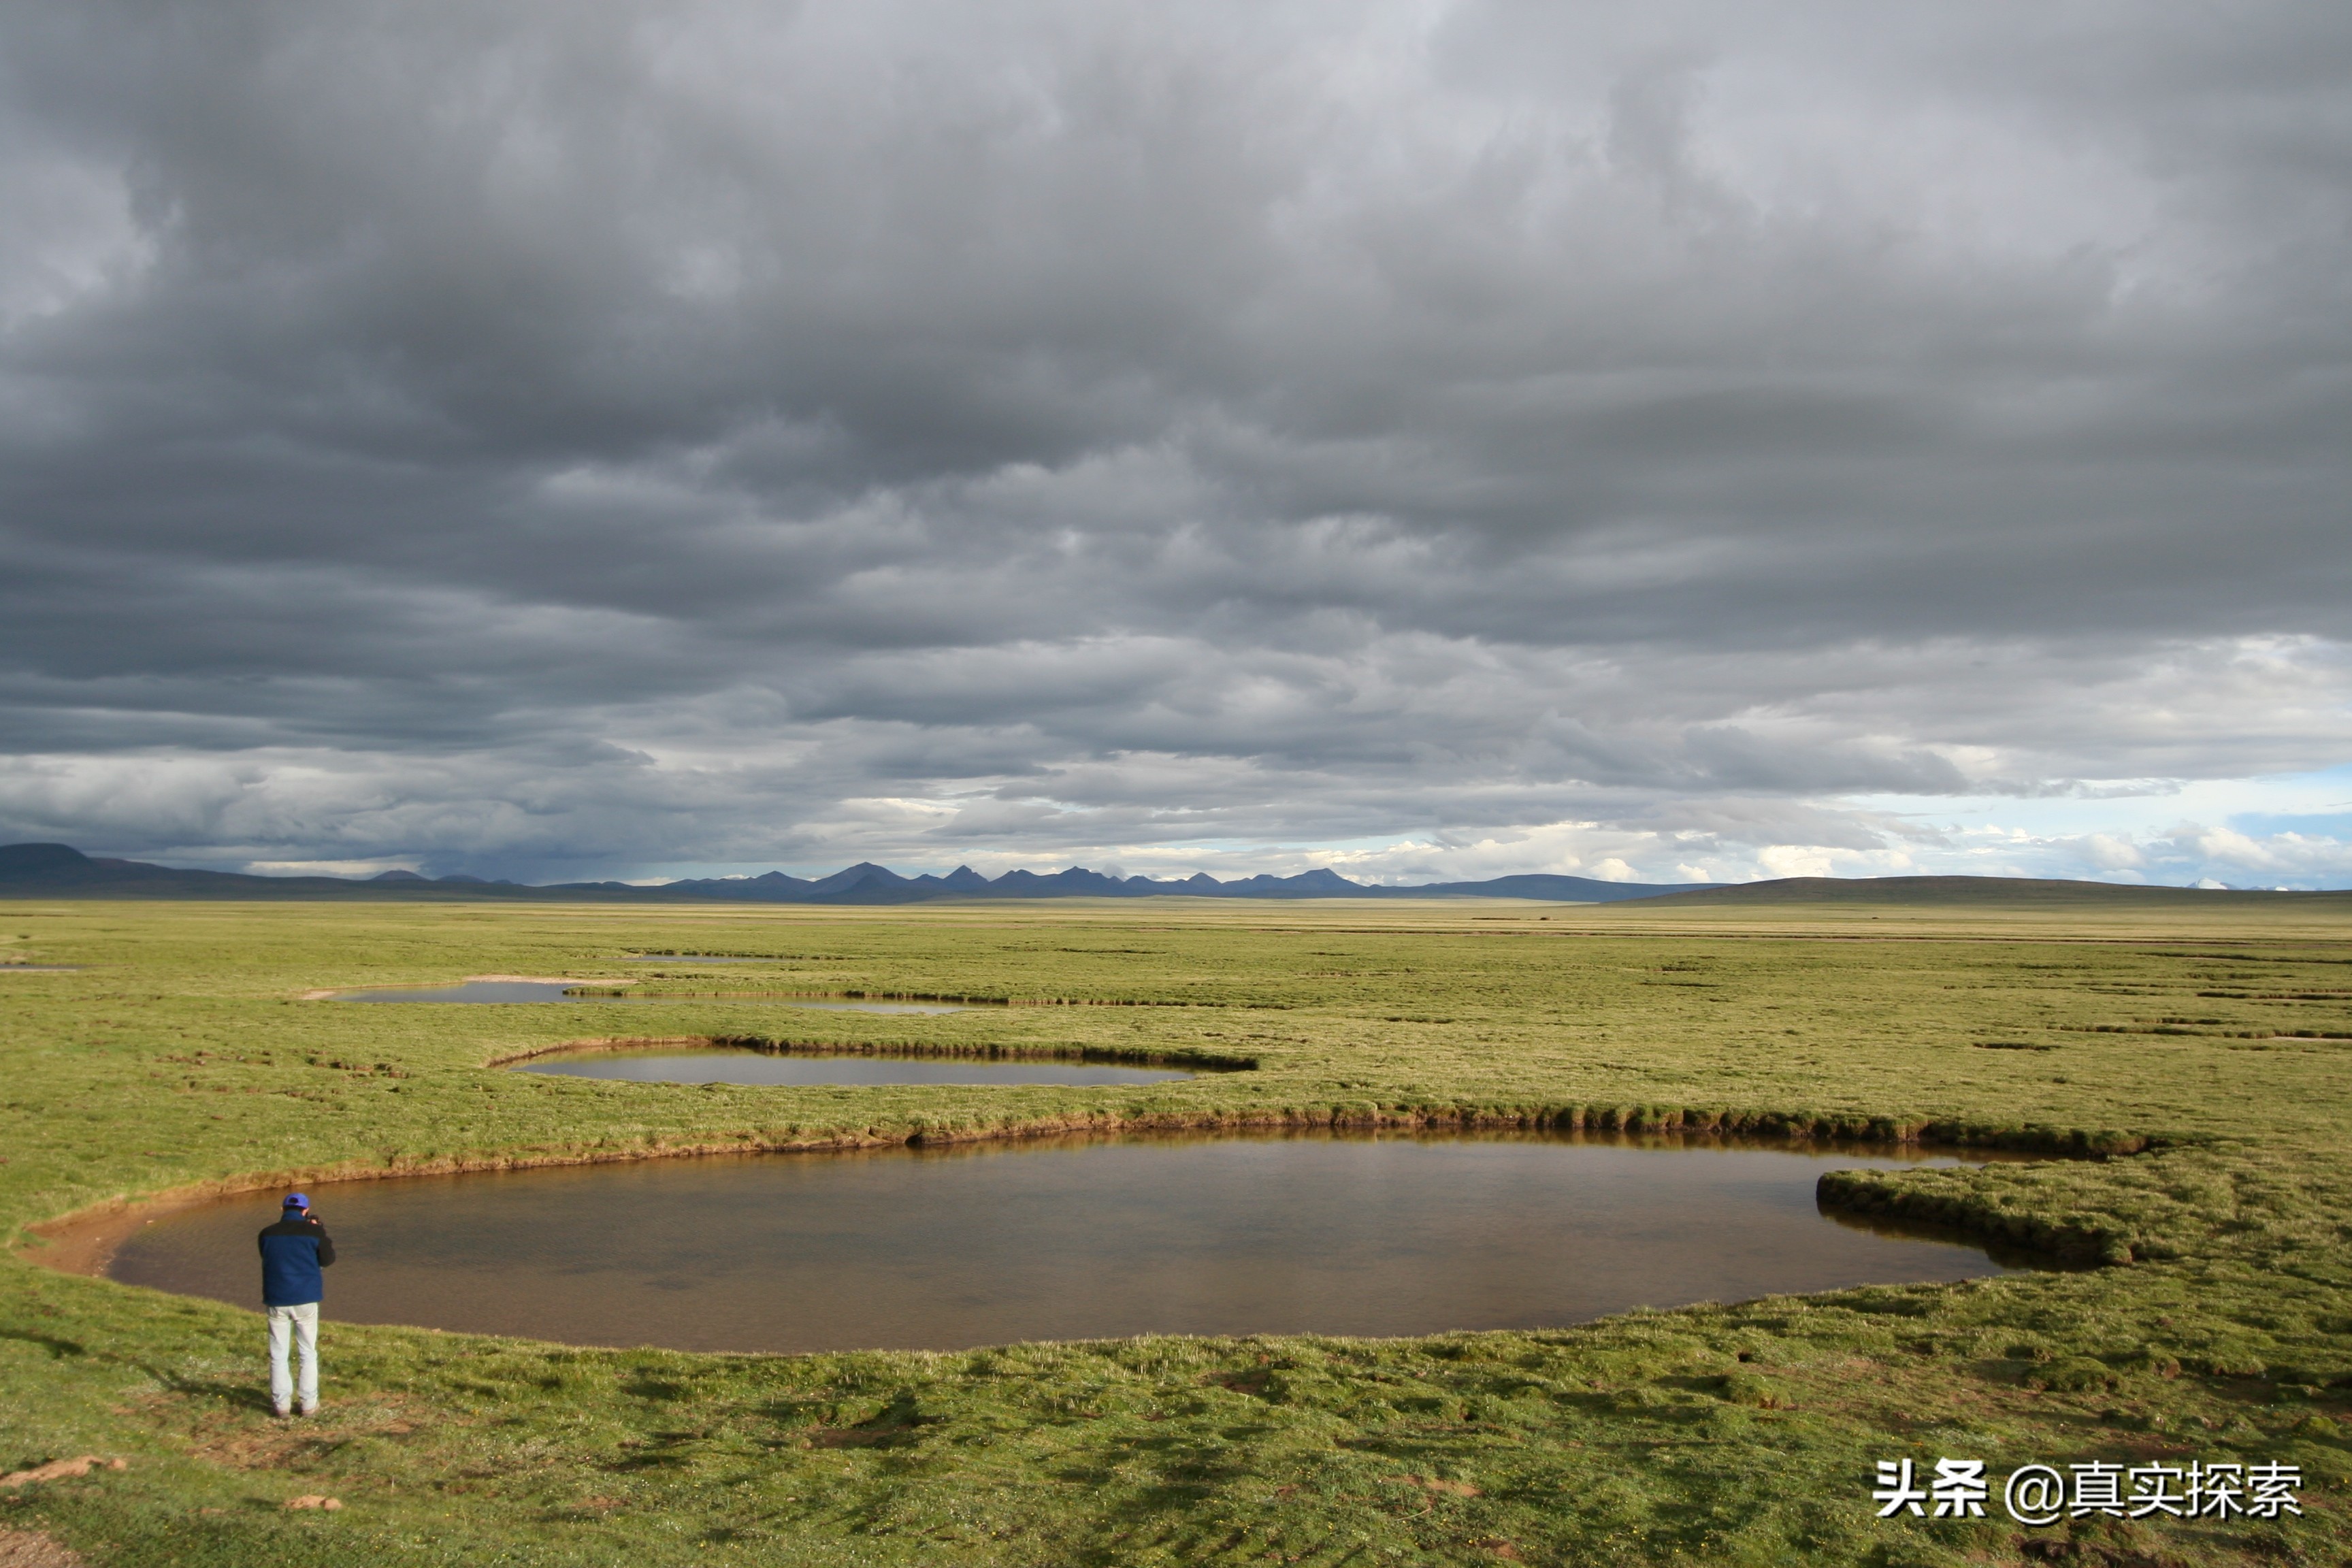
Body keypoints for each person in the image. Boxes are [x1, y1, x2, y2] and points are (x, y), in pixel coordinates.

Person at [257, 1192, 336, 1418]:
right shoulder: (314, 1232)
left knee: (278, 1354)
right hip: (306, 1298)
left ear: (282, 1210)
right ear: (305, 1210)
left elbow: (266, 1256)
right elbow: (328, 1260)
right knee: (307, 1352)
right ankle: (308, 1404)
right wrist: (319, 1231)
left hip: (276, 1298)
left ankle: (281, 1405)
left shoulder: (267, 1234)